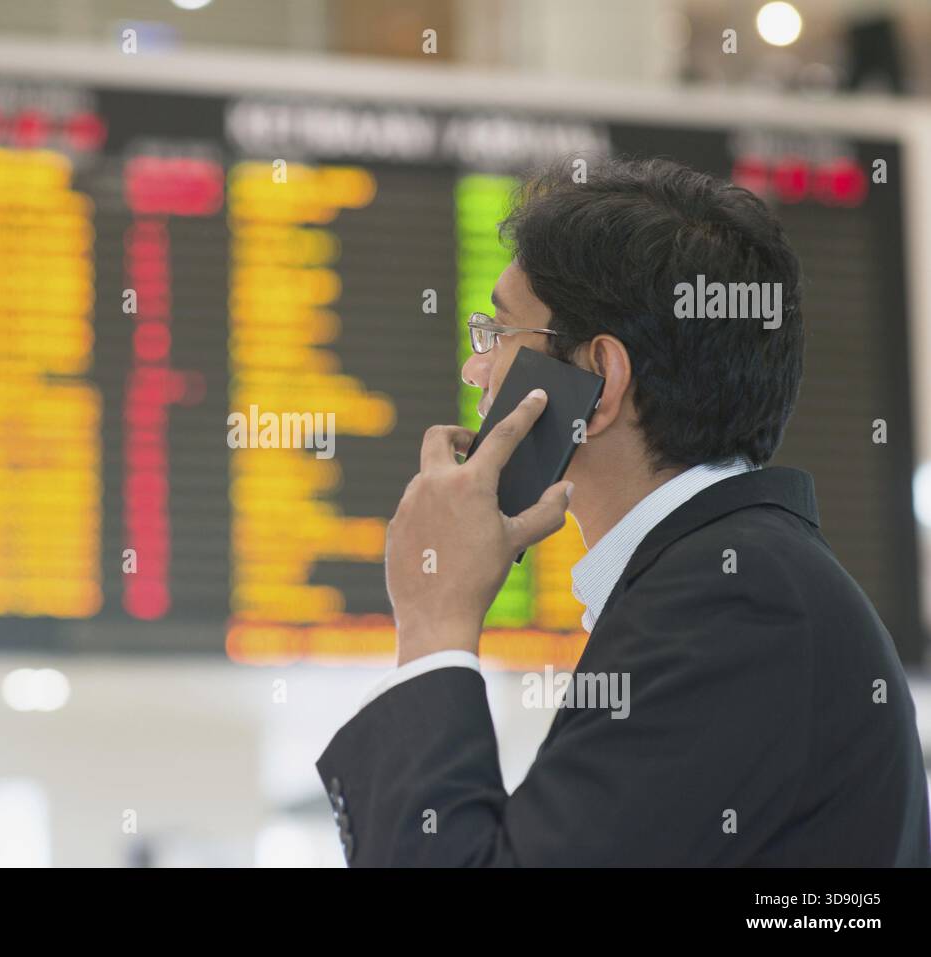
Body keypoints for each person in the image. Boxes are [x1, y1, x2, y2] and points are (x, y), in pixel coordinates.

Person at [315, 157, 931, 867]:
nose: (475, 369)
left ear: (600, 380)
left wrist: (433, 625)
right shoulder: (731, 581)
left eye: (500, 333)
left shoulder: (736, 602)